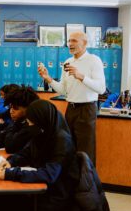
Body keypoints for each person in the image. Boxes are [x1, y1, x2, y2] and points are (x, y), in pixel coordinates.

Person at [0, 100, 80, 211]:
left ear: (42, 121)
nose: (29, 126)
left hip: (57, 194)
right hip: (43, 188)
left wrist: (11, 174)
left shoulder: (63, 141)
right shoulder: (43, 133)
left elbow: (49, 174)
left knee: (10, 204)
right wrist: (10, 162)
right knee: (2, 199)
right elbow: (27, 152)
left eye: (31, 123)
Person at [38, 31, 106, 164]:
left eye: (74, 41)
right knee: (69, 148)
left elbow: (101, 88)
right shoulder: (68, 62)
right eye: (69, 41)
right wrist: (48, 79)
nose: (70, 44)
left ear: (84, 43)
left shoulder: (94, 60)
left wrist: (82, 77)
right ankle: (71, 182)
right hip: (71, 109)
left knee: (86, 152)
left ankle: (86, 183)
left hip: (87, 109)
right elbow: (63, 90)